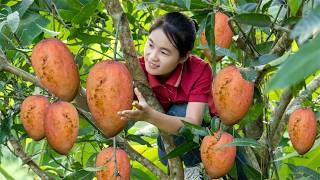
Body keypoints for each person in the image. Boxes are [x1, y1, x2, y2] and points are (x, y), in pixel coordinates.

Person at [118, 12, 216, 180]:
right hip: (169, 145)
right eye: (150, 45)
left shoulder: (200, 70)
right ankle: (190, 168)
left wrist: (150, 116)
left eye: (164, 52)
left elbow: (192, 123)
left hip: (209, 136)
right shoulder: (135, 70)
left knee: (179, 112)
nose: (152, 56)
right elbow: (103, 106)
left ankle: (194, 166)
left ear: (183, 57)